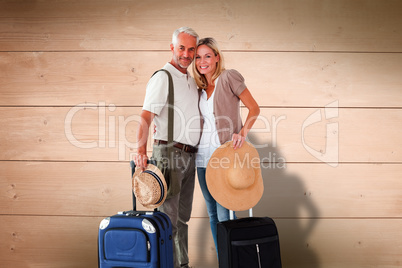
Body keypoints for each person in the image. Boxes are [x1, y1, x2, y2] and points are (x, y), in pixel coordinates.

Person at [134, 27, 201, 268]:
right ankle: (165, 265)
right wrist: (141, 151)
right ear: (172, 47)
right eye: (181, 48)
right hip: (170, 154)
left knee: (182, 219)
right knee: (167, 220)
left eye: (191, 49)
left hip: (190, 156)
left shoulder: (190, 80)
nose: (186, 54)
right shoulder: (163, 77)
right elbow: (145, 116)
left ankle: (181, 264)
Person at [193, 37, 260, 257]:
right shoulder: (200, 89)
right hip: (202, 159)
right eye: (198, 57)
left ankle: (236, 260)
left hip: (225, 158)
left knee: (226, 215)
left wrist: (242, 134)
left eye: (207, 56)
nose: (203, 61)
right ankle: (226, 260)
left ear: (216, 58)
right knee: (213, 214)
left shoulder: (228, 77)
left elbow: (254, 108)